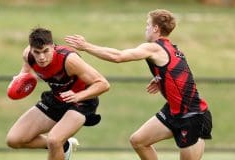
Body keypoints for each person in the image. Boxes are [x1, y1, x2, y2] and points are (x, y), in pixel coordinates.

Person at [65, 9, 212, 160]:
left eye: (148, 25)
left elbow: (118, 56)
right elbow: (179, 74)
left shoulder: (154, 47)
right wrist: (160, 79)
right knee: (138, 141)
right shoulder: (172, 49)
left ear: (156, 28)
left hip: (193, 116)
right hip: (173, 112)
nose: (146, 28)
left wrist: (86, 46)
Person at [6, 27, 110, 160]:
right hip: (57, 98)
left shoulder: (69, 60)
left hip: (82, 102)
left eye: (45, 51)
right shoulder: (28, 55)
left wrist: (78, 96)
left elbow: (103, 84)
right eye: (37, 52)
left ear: (53, 47)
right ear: (31, 49)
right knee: (14, 139)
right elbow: (25, 73)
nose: (41, 57)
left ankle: (59, 145)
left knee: (54, 140)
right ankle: (65, 147)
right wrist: (17, 81)